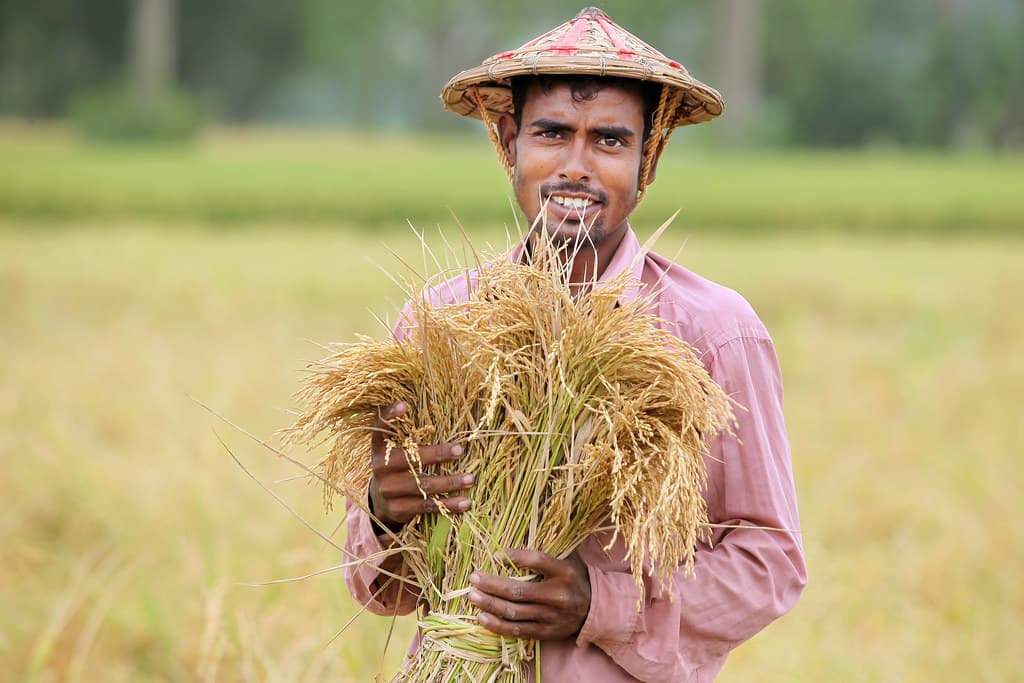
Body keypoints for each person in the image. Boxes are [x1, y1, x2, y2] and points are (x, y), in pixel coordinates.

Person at [343, 8, 806, 681]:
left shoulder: (713, 334)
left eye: (610, 140)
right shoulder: (440, 323)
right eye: (552, 133)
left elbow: (770, 564)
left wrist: (602, 604)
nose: (575, 167)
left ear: (648, 160)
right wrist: (383, 514)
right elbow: (384, 590)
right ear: (510, 143)